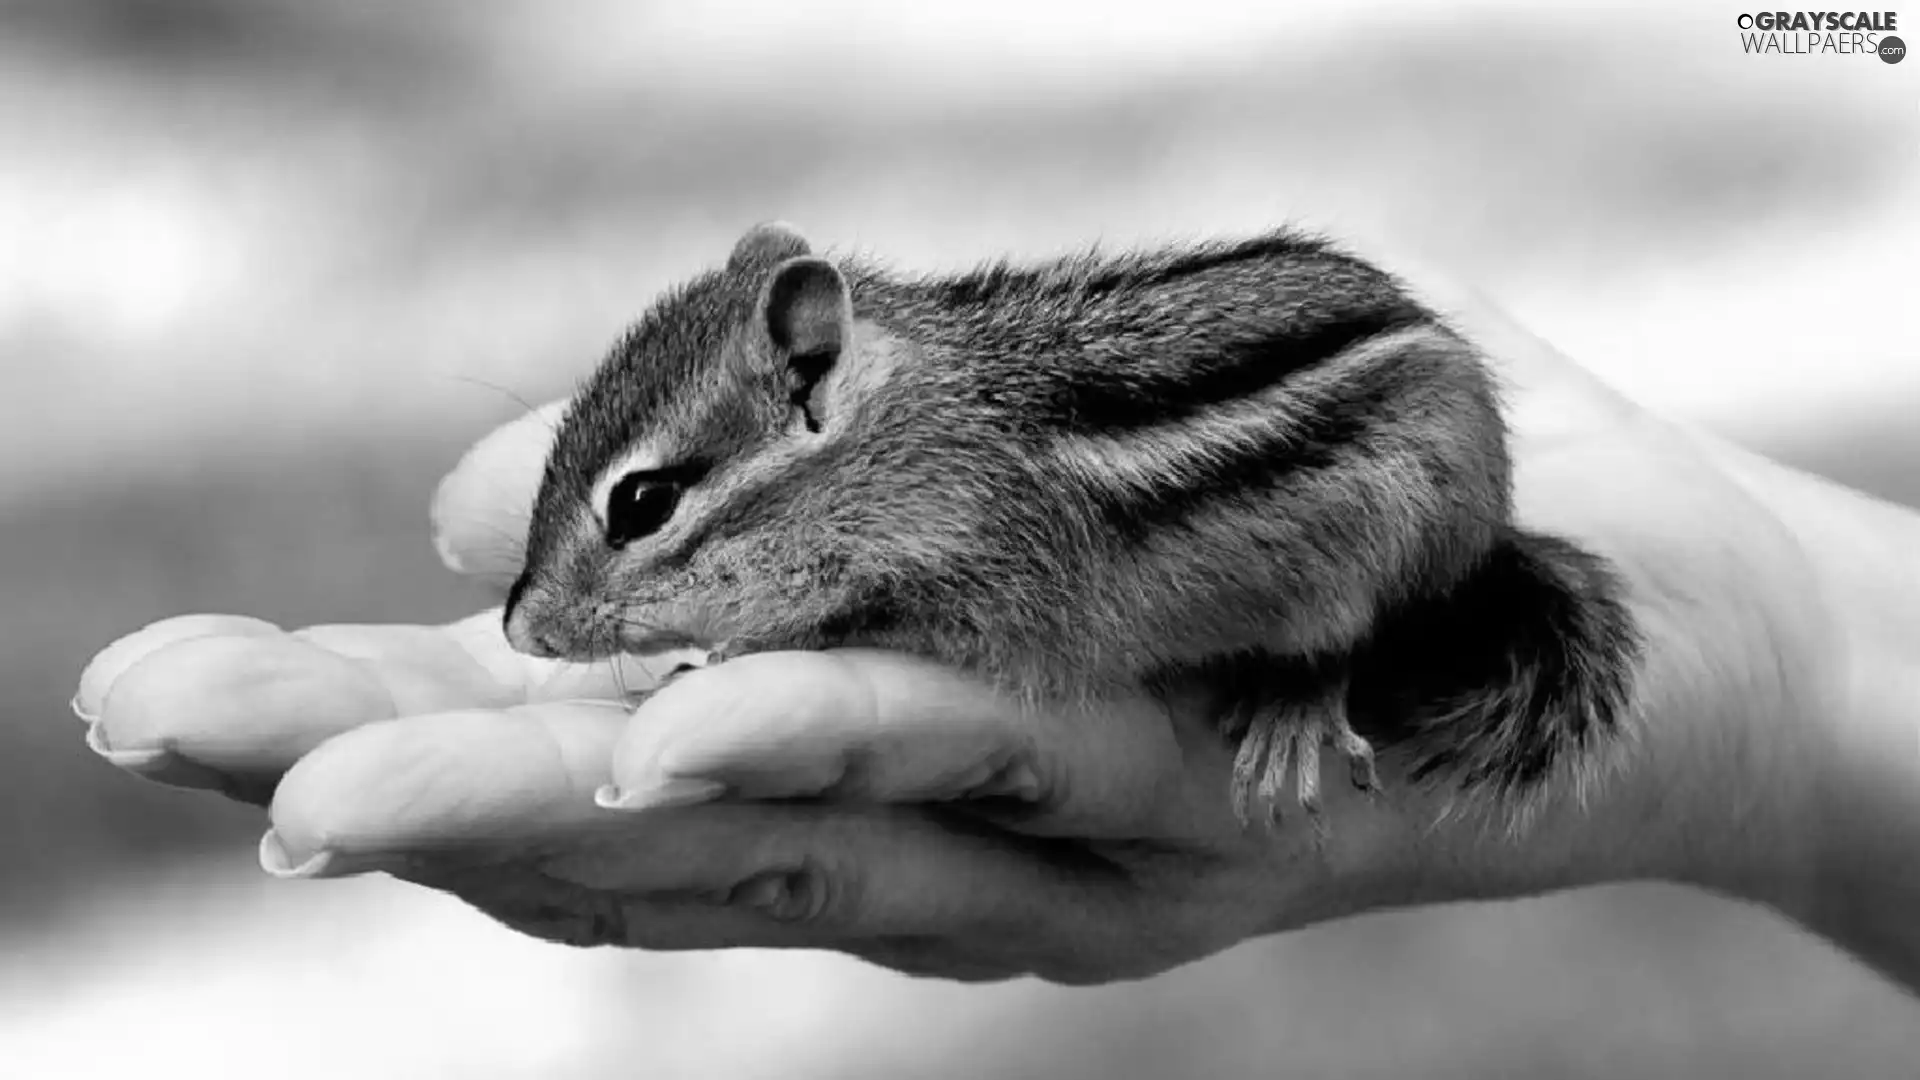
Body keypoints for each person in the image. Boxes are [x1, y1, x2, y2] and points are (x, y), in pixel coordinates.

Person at [70, 273, 1920, 993]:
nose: (561, 609)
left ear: (815, 387)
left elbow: (1012, 627)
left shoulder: (966, 486)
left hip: (1373, 448)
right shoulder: (887, 445)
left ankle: (1324, 661)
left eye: (645, 518)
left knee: (1365, 521)